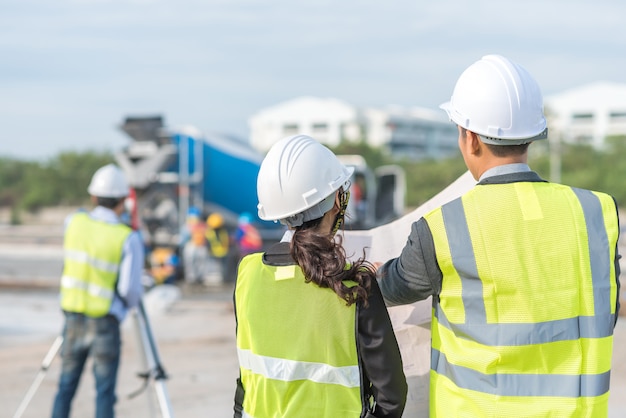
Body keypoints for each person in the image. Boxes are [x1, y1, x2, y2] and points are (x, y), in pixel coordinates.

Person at [377, 54, 621, 417]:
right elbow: (608, 307)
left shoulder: (443, 227)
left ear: (470, 140)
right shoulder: (595, 213)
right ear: (534, 136)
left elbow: (393, 287)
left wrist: (377, 271)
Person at [233, 134, 407, 418]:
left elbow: (245, 383)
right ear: (338, 200)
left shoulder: (247, 274)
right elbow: (392, 397)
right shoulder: (354, 287)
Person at [51, 164, 145, 418]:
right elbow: (130, 290)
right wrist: (124, 310)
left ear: (93, 196)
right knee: (104, 392)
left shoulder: (73, 222)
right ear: (124, 200)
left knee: (65, 387)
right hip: (105, 321)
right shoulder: (127, 237)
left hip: (72, 317)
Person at [181, 206, 209, 284]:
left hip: (199, 245)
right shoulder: (188, 226)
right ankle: (193, 278)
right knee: (192, 262)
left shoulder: (201, 226)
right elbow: (184, 237)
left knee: (199, 262)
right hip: (192, 245)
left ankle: (198, 277)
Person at [205, 212, 230, 283]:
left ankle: (222, 278)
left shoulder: (210, 232)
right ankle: (221, 278)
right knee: (218, 269)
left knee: (218, 269)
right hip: (218, 253)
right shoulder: (223, 231)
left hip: (218, 252)